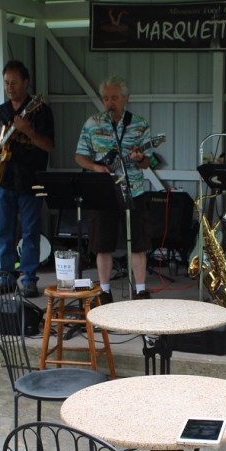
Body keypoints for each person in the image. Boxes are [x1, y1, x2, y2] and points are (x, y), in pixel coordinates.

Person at [74, 75, 154, 302]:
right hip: (103, 191)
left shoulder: (139, 124)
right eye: (106, 98)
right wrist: (95, 167)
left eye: (115, 98)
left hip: (133, 190)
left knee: (138, 243)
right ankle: (105, 291)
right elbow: (79, 156)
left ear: (126, 99)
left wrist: (139, 158)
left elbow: (147, 162)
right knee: (102, 244)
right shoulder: (92, 124)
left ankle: (140, 290)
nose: (110, 102)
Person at [0, 60, 54, 298]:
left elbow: (48, 145)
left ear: (25, 82)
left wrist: (28, 130)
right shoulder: (0, 112)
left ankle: (29, 279)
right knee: (5, 231)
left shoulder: (40, 111)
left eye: (14, 83)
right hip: (5, 180)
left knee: (30, 232)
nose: (10, 87)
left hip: (31, 180)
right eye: (6, 83)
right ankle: (7, 277)